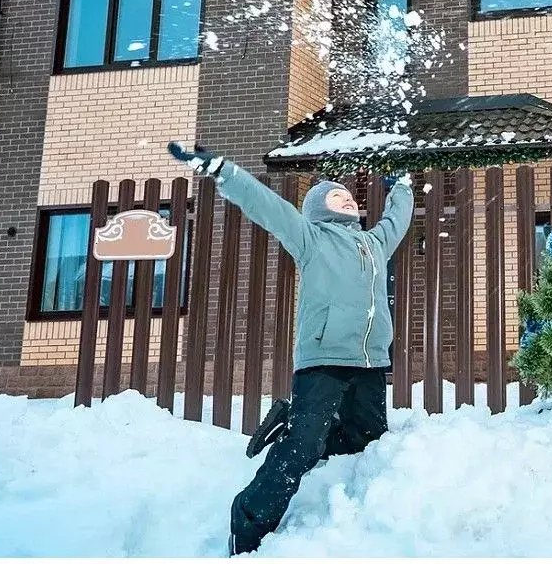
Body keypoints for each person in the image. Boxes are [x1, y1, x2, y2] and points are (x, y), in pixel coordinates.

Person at [168, 143, 414, 555]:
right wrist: (221, 170)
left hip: (369, 361)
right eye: (337, 195)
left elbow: (398, 220)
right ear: (319, 208)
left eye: (349, 195)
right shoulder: (311, 238)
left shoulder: (374, 244)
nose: (348, 198)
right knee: (303, 447)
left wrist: (403, 186)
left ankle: (297, 425)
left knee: (366, 440)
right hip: (323, 360)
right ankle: (248, 519)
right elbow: (266, 205)